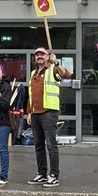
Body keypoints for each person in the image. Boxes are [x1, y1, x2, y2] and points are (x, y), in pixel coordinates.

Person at [27, 47, 71, 188]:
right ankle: (42, 173)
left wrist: (56, 62)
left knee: (51, 145)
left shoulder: (53, 69)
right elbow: (31, 94)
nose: (39, 56)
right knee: (38, 146)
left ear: (48, 57)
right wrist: (29, 112)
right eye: (37, 55)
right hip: (35, 113)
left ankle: (54, 175)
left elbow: (67, 75)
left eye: (42, 54)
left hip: (49, 112)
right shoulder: (33, 73)